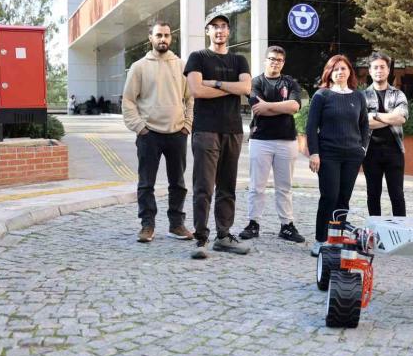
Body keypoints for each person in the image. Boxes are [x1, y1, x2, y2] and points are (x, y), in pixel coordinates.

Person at [184, 14, 253, 259]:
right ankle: (200, 238)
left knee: (227, 186)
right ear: (207, 31)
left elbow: (246, 88)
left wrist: (214, 83)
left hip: (233, 130)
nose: (220, 30)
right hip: (205, 129)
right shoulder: (198, 57)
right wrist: (230, 87)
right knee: (203, 186)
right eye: (214, 27)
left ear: (229, 32)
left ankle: (223, 236)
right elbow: (196, 90)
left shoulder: (239, 60)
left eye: (224, 26)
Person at [122, 21, 194, 243]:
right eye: (159, 35)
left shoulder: (182, 65)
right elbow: (128, 100)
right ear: (150, 38)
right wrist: (139, 127)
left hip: (177, 133)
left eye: (166, 35)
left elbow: (191, 98)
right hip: (149, 135)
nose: (163, 39)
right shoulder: (139, 67)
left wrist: (187, 125)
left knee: (178, 183)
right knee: (146, 184)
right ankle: (147, 225)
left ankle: (176, 224)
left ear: (171, 38)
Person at [239, 45, 305, 243]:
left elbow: (294, 106)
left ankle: (287, 226)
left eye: (279, 60)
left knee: (284, 187)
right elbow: (257, 109)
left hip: (287, 140)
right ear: (265, 60)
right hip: (261, 140)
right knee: (256, 186)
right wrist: (280, 107)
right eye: (272, 59)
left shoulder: (290, 82)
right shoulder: (255, 82)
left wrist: (268, 105)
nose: (275, 63)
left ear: (283, 63)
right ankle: (253, 224)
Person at [306, 54, 369, 256]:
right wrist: (314, 153)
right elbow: (311, 127)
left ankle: (337, 239)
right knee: (329, 196)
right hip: (328, 155)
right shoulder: (322, 96)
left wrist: (363, 148)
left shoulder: (358, 96)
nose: (340, 72)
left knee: (343, 199)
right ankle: (321, 239)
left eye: (343, 68)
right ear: (329, 73)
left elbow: (364, 125)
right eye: (335, 69)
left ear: (350, 71)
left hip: (352, 156)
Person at [362, 52, 408, 217]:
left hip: (394, 150)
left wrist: (374, 115)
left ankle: (401, 229)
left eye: (382, 67)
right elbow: (364, 123)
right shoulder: (362, 96)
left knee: (397, 194)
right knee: (373, 194)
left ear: (388, 70)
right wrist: (390, 118)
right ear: (370, 71)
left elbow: (401, 118)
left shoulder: (398, 94)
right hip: (370, 151)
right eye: (375, 67)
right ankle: (375, 229)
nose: (379, 70)